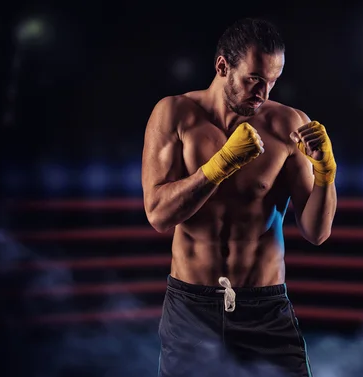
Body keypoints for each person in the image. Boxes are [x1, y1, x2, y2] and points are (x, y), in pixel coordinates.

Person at [141, 18, 337, 377]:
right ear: (222, 66)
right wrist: (220, 165)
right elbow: (158, 214)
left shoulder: (287, 125)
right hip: (190, 308)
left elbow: (316, 232)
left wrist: (326, 174)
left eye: (272, 81)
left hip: (265, 308)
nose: (263, 93)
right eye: (255, 80)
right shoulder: (174, 115)